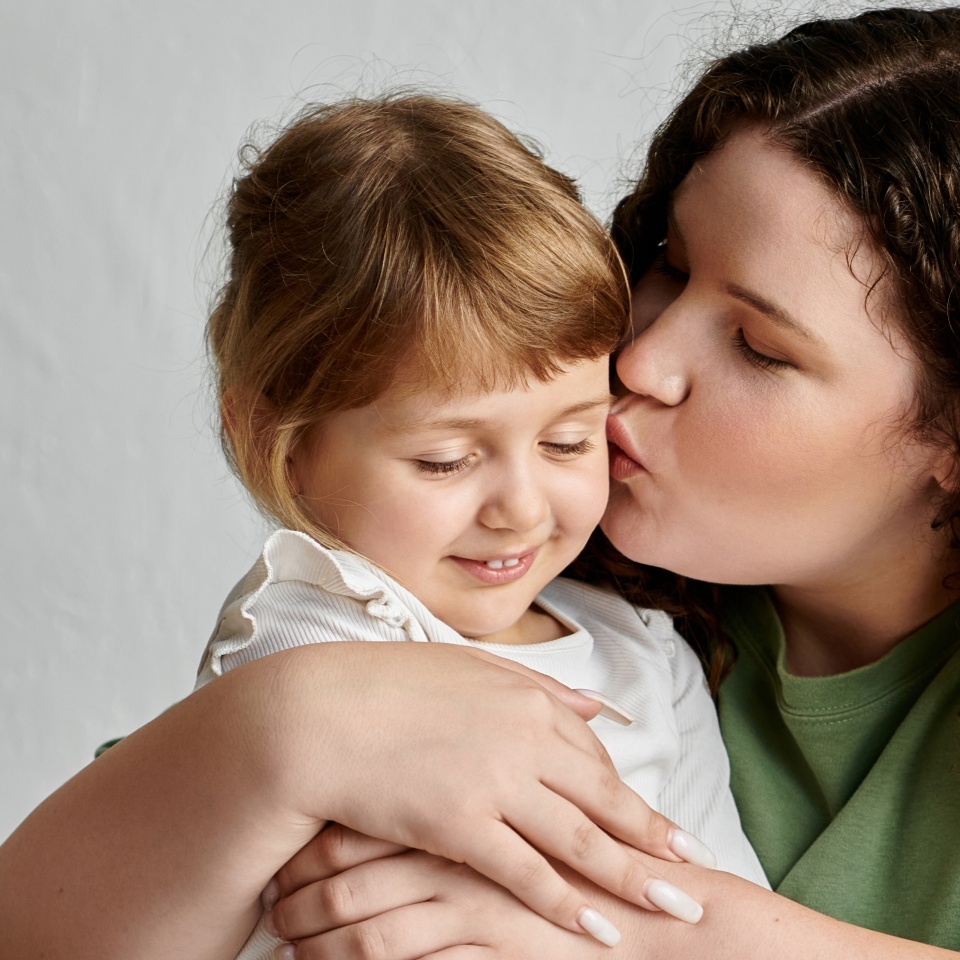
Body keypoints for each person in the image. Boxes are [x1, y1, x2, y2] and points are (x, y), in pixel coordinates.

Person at [3, 6, 960, 960]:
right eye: (669, 262)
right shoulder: (473, 597)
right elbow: (51, 916)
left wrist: (657, 934)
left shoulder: (642, 657)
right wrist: (289, 724)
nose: (642, 355)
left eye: (758, 347)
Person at [194, 92, 765, 958]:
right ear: (281, 443)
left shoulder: (647, 657)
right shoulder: (310, 633)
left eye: (568, 440)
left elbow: (724, 912)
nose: (523, 510)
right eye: (445, 461)